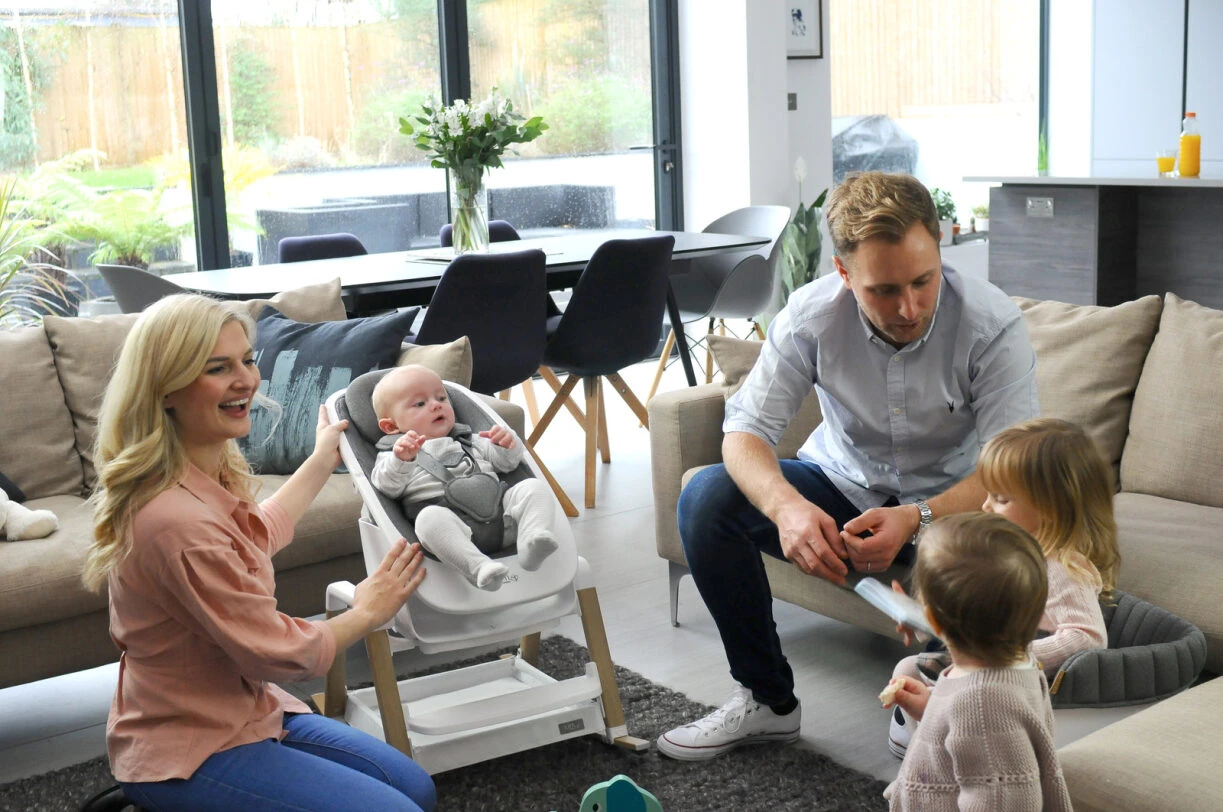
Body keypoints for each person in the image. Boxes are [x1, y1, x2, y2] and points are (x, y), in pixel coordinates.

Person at [656, 171, 1039, 761]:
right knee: (706, 498)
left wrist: (916, 517)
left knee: (1008, 537)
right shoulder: (810, 317)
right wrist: (787, 508)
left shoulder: (992, 326)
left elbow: (1011, 470)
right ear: (842, 272)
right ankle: (767, 702)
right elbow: (744, 431)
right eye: (883, 290)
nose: (909, 307)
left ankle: (939, 698)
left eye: (923, 280)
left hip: (957, 506)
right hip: (843, 484)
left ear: (940, 247)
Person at [82, 294, 437, 812]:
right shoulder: (175, 521)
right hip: (190, 744)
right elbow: (276, 651)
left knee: (416, 789)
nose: (246, 380)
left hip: (246, 707)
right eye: (217, 368)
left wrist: (322, 458)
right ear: (166, 389)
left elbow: (256, 535)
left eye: (247, 360)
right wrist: (366, 611)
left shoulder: (201, 473)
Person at [886, 417, 1120, 756]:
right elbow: (970, 617)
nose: (985, 506)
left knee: (937, 688)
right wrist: (923, 618)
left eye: (1000, 499)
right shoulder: (1004, 554)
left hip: (1016, 678)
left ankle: (944, 752)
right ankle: (930, 747)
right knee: (907, 671)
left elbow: (1089, 637)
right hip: (986, 662)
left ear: (1049, 508)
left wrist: (1007, 658)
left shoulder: (1062, 568)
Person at [880, 513, 1074, 811]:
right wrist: (932, 707)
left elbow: (1006, 800)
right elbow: (973, 735)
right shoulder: (1014, 668)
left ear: (931, 620)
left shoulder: (981, 706)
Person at [370, 364, 560, 590]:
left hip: (504, 518)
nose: (436, 405)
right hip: (455, 535)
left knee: (533, 487)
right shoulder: (393, 455)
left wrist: (506, 444)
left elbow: (507, 464)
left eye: (441, 398)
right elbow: (386, 487)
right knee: (428, 519)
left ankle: (532, 540)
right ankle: (480, 569)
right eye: (420, 404)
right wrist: (402, 460)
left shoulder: (471, 439)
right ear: (391, 426)